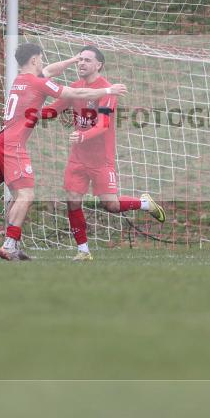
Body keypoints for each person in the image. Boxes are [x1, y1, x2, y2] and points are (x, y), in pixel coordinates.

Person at [0, 43, 127, 261]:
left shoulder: (21, 79)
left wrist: (72, 61)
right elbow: (76, 92)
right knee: (26, 195)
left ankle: (12, 245)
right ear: (34, 60)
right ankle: (8, 246)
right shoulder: (38, 82)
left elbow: (51, 71)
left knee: (19, 196)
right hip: (12, 145)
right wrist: (109, 90)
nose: (44, 63)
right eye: (41, 59)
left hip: (1, 140)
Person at [40, 46, 166, 261]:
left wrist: (83, 135)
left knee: (112, 205)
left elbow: (104, 124)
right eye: (80, 59)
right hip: (77, 158)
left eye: (87, 60)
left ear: (98, 65)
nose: (81, 63)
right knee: (72, 200)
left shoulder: (108, 91)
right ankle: (83, 251)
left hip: (101, 160)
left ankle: (145, 203)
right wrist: (28, 112)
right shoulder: (75, 88)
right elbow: (53, 110)